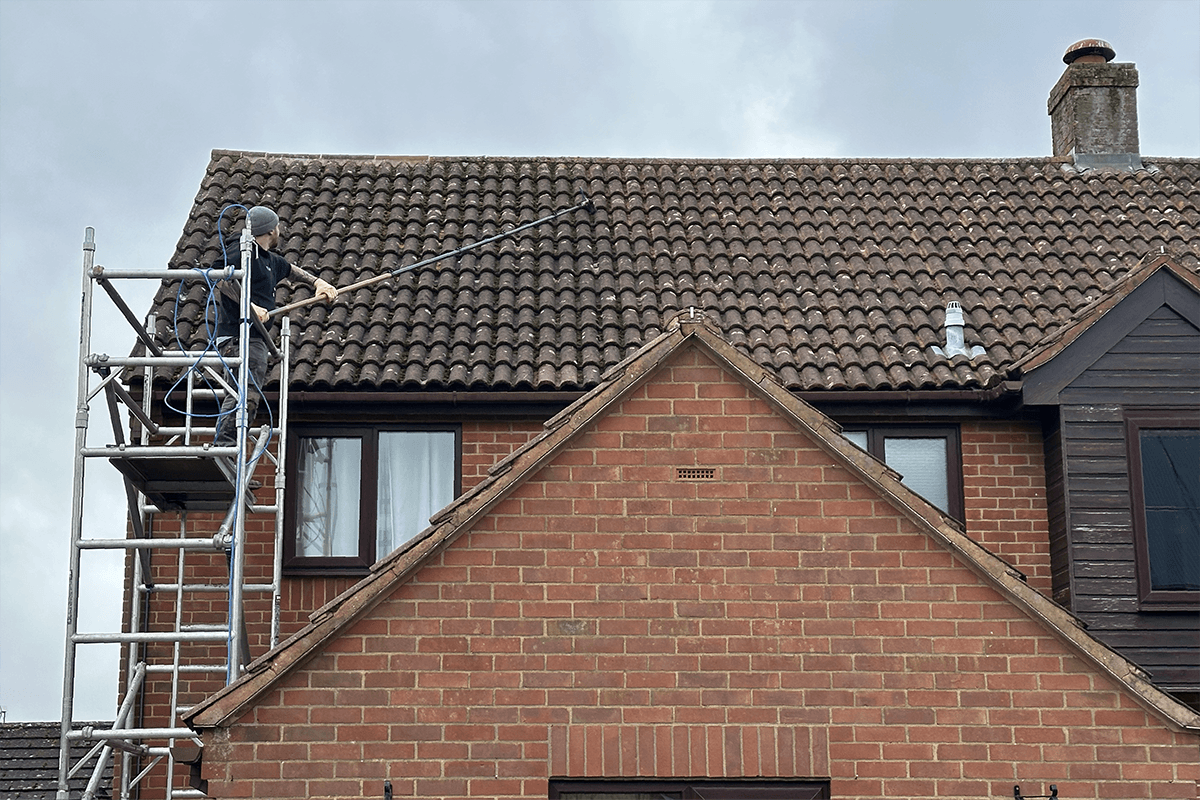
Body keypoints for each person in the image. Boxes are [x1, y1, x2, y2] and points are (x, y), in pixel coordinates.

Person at [212, 206, 337, 446]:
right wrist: (249, 305)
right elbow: (219, 277)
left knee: (244, 392)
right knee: (245, 393)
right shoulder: (243, 251)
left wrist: (317, 282)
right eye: (277, 226)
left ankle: (228, 445)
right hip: (240, 336)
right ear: (271, 230)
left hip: (253, 338)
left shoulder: (268, 259)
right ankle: (225, 445)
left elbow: (291, 271)